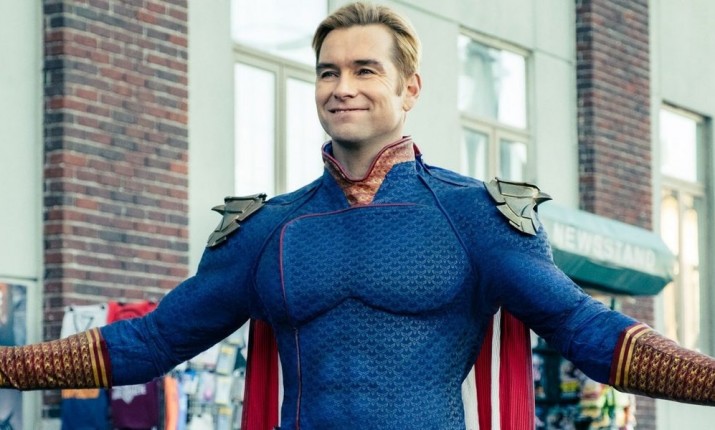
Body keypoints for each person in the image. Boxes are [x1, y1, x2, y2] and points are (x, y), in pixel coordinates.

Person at [1, 2, 714, 429]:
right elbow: (151, 341)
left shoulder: (473, 215)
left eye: (364, 70)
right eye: (327, 71)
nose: (342, 87)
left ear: (410, 88)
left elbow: (587, 331)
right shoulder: (267, 230)